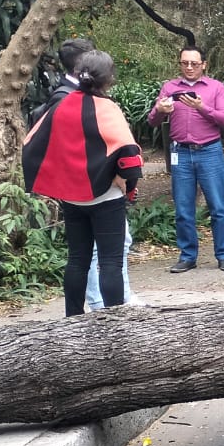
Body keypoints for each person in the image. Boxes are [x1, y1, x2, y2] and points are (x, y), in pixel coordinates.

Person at [21, 50, 142, 317]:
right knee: (110, 262)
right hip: (105, 197)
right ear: (109, 78)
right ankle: (116, 322)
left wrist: (56, 181)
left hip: (72, 198)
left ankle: (72, 318)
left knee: (78, 260)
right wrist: (127, 182)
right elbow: (130, 155)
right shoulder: (106, 108)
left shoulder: (60, 105)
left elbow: (32, 144)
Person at [147, 46, 224, 272]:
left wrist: (201, 107)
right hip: (181, 154)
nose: (189, 67)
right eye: (184, 63)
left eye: (194, 64)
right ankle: (188, 256)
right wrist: (160, 109)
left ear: (203, 65)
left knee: (218, 206)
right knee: (183, 208)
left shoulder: (215, 87)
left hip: (209, 151)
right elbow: (152, 121)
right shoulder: (169, 87)